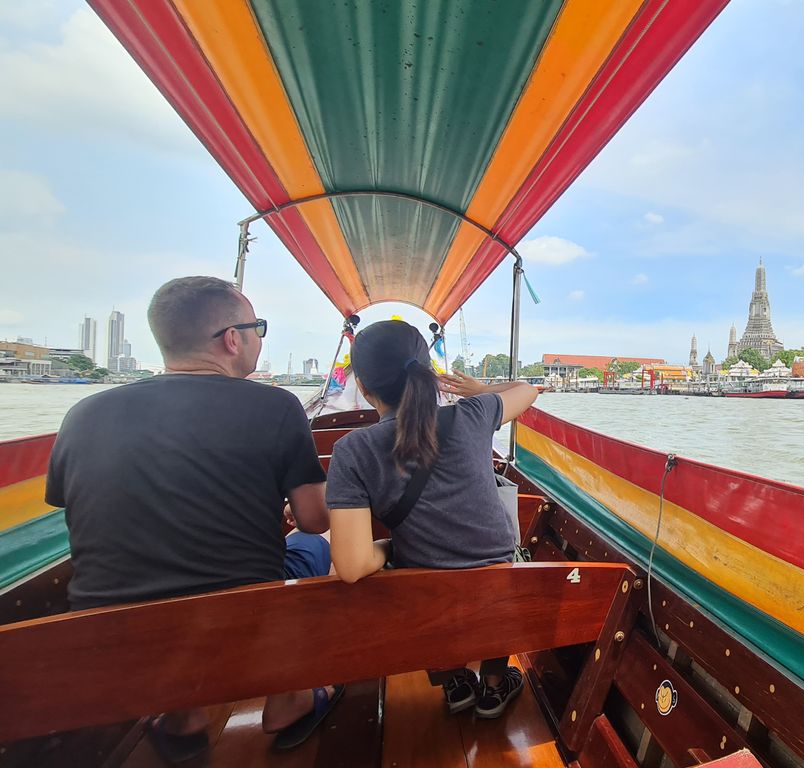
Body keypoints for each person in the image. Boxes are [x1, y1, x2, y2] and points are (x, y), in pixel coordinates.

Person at [45, 276, 343, 762]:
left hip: (105, 638)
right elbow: (313, 518)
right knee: (321, 545)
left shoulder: (83, 413)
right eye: (258, 327)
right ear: (232, 338)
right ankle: (287, 698)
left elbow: (77, 508)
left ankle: (183, 718)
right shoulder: (274, 405)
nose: (258, 338)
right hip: (236, 625)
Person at [325, 320, 538, 719]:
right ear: (428, 372)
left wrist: (394, 547)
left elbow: (350, 567)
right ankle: (494, 685)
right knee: (502, 552)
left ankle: (454, 681)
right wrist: (480, 390)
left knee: (417, 571)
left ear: (365, 389)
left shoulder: (353, 450)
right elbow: (529, 390)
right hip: (498, 587)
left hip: (424, 602)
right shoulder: (473, 415)